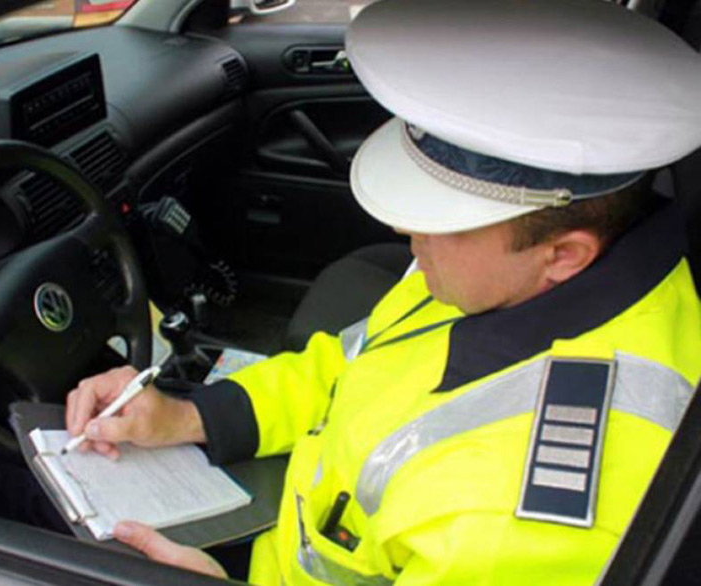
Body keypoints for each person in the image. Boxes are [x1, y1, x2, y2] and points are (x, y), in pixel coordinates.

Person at [65, 0, 701, 583]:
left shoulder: (515, 523)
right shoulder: (502, 277)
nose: (404, 231)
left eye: (440, 219)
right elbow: (351, 366)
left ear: (563, 254)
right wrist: (189, 417)